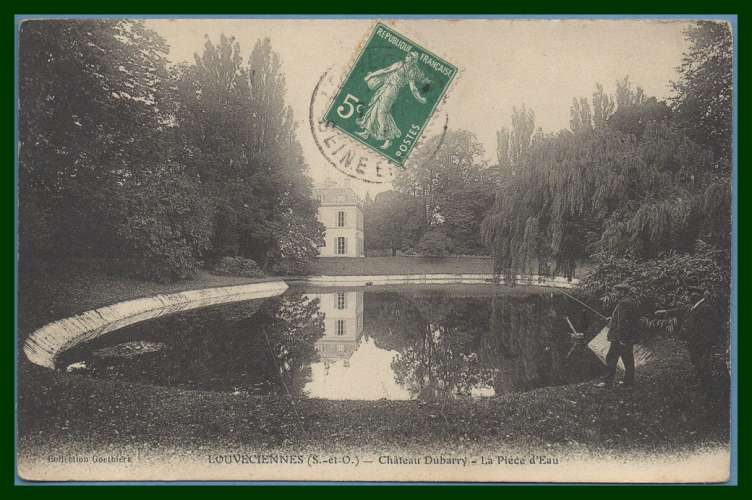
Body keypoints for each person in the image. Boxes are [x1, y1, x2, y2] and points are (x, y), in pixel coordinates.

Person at [655, 284, 721, 397]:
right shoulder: (694, 306)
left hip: (702, 341)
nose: (689, 296)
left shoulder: (706, 307)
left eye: (691, 294)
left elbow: (712, 326)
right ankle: (700, 381)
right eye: (689, 294)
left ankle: (707, 387)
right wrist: (665, 311)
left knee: (703, 363)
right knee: (695, 361)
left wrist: (707, 341)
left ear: (698, 295)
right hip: (693, 340)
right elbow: (680, 310)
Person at [356, 51, 430, 149]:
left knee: (382, 112)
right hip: (386, 87)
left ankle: (388, 139)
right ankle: (367, 132)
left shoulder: (411, 71)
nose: (407, 56)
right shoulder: (400, 64)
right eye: (407, 55)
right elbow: (385, 70)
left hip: (392, 90)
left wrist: (420, 98)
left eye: (409, 56)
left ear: (413, 60)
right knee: (375, 107)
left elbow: (413, 88)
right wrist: (371, 75)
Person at [595, 282, 641, 388]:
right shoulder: (631, 301)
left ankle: (608, 382)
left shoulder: (624, 303)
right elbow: (625, 319)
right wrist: (612, 319)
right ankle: (629, 381)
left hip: (620, 337)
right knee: (628, 358)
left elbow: (624, 322)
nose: (615, 293)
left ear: (622, 292)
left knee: (611, 358)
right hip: (626, 337)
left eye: (617, 291)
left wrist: (622, 338)